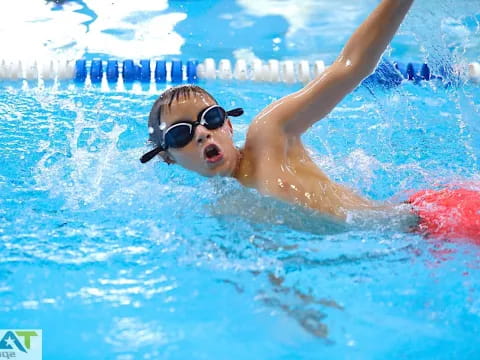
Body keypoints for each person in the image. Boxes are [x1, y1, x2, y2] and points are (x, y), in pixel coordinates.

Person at [140, 0, 480, 243]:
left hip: (434, 217)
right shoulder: (226, 208)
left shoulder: (268, 134)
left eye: (210, 118)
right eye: (182, 133)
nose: (201, 133)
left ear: (228, 126)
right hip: (420, 247)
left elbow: (351, 66)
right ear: (168, 156)